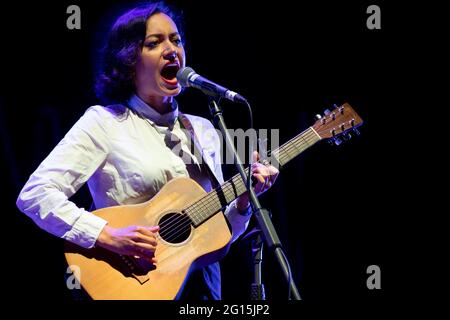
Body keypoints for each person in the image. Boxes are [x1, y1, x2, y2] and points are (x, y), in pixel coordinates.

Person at [16, 1, 279, 300]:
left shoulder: (202, 129)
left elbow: (214, 237)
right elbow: (35, 193)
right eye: (154, 43)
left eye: (176, 40)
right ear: (129, 61)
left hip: (203, 287)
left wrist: (243, 203)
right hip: (133, 280)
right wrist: (106, 234)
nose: (171, 50)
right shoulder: (104, 123)